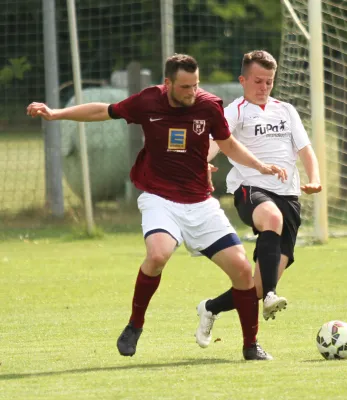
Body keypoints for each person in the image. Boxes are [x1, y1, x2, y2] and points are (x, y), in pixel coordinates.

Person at [27, 54, 288, 361]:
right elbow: (102, 111)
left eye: (196, 85)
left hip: (201, 203)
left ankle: (250, 346)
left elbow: (228, 145)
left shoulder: (209, 105)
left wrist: (260, 166)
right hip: (159, 198)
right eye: (185, 86)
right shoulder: (148, 101)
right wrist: (56, 114)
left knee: (244, 272)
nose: (192, 92)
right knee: (158, 254)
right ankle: (135, 325)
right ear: (168, 84)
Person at [195, 50, 322, 349]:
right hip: (250, 188)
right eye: (258, 81)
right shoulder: (235, 110)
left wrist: (314, 178)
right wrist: (203, 160)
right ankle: (270, 298)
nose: (263, 87)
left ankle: (211, 308)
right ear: (242, 80)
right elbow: (216, 142)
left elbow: (305, 150)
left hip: (288, 195)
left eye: (269, 82)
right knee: (271, 219)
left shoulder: (286, 110)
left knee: (255, 285)